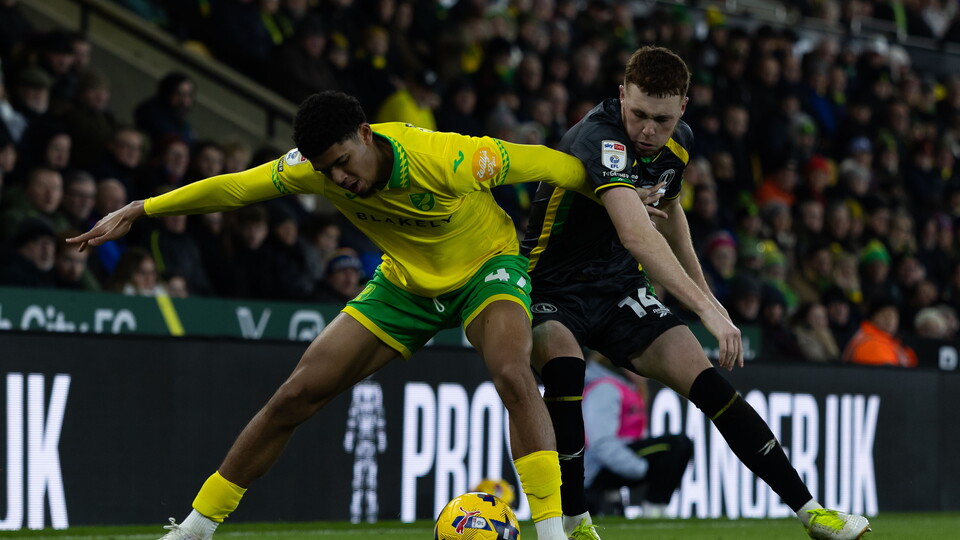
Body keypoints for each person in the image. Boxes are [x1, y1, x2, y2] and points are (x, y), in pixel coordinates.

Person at [68, 90, 600, 540]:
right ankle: (194, 529)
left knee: (512, 371)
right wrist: (143, 209)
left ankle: (551, 532)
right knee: (295, 395)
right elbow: (234, 187)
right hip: (404, 285)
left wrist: (618, 195)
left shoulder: (446, 156)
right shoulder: (312, 170)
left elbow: (550, 163)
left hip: (487, 266)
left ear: (366, 134)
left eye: (343, 162)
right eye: (327, 170)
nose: (338, 179)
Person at [520, 46, 870, 540]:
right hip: (550, 286)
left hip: (617, 286)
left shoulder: (677, 143)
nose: (647, 130)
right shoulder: (600, 136)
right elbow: (637, 234)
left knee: (709, 384)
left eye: (660, 119)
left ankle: (811, 512)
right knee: (565, 366)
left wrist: (709, 294)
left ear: (682, 108)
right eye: (638, 113)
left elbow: (672, 212)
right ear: (622, 95)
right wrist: (707, 308)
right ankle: (576, 522)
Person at [582, 354, 692, 519]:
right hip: (594, 470)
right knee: (677, 445)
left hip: (607, 466)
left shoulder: (625, 388)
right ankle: (654, 507)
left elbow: (630, 438)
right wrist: (643, 469)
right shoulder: (605, 388)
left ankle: (656, 507)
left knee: (677, 446)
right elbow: (601, 444)